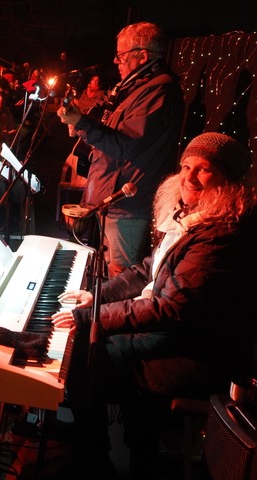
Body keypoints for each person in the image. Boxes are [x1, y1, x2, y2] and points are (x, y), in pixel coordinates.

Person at [51, 133, 257, 479]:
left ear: (228, 181)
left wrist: (90, 317)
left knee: (89, 354)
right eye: (186, 166)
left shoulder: (220, 235)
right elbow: (150, 267)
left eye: (204, 170)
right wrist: (97, 294)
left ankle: (100, 456)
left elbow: (169, 308)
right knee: (89, 343)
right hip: (179, 332)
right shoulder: (194, 217)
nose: (189, 177)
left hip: (194, 353)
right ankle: (97, 440)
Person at [57, 22, 184, 278]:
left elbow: (126, 145)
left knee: (120, 281)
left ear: (143, 55)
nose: (116, 61)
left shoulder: (158, 91)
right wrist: (78, 121)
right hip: (111, 199)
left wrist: (81, 124)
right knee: (105, 276)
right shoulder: (131, 88)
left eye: (122, 55)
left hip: (127, 206)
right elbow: (108, 128)